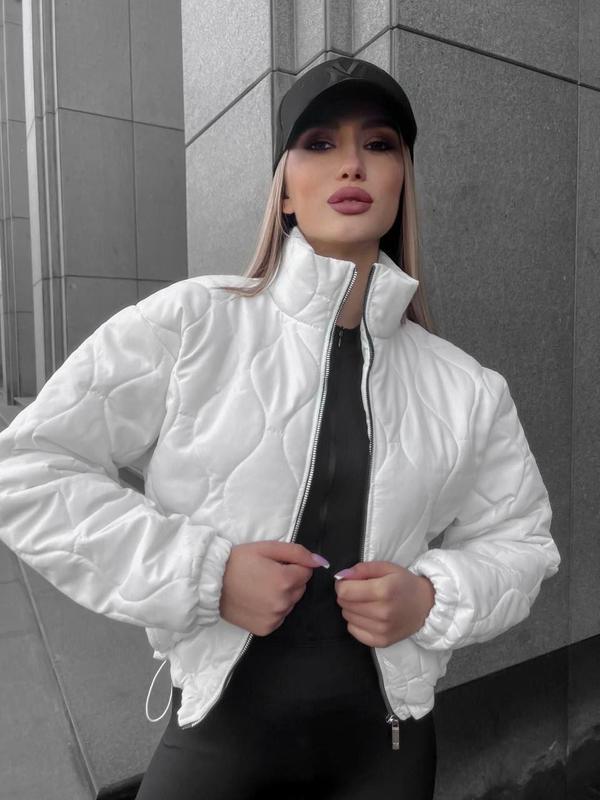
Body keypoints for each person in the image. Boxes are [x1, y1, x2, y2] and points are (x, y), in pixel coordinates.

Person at [0, 57, 561, 799]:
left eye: (380, 144)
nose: (352, 164)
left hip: (385, 753)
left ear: (402, 183)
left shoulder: (468, 388)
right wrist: (208, 575)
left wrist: (433, 596)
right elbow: (27, 470)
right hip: (218, 743)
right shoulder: (193, 324)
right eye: (319, 142)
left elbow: (524, 545)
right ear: (285, 188)